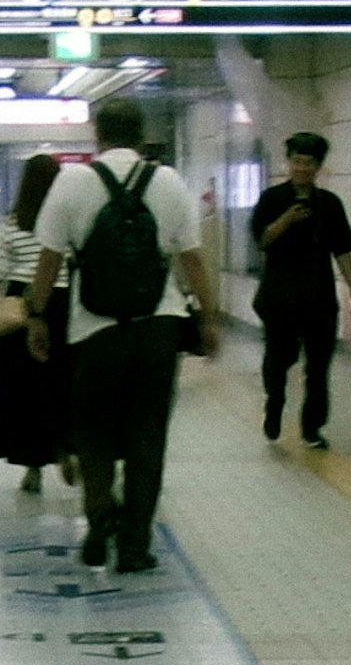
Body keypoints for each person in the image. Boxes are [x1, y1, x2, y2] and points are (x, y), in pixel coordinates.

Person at [30, 96, 217, 575]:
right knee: (146, 438)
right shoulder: (169, 181)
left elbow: (48, 259)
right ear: (141, 135)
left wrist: (36, 318)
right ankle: (134, 546)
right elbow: (192, 258)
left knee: (92, 431)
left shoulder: (72, 182)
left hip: (94, 331)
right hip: (159, 328)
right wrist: (210, 320)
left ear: (98, 134)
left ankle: (99, 518)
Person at [246, 129, 351, 449]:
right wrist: (287, 219)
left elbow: (342, 248)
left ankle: (312, 427)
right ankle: (275, 406)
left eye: (309, 163)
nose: (302, 168)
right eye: (297, 161)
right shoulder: (272, 199)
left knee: (319, 366)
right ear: (288, 163)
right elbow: (262, 240)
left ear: (318, 167)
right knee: (277, 361)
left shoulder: (330, 204)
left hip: (319, 297)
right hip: (279, 297)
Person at [0, 151, 72, 496]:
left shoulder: (10, 224)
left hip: (20, 307)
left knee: (24, 391)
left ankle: (32, 468)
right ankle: (66, 448)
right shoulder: (67, 220)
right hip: (62, 303)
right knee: (62, 382)